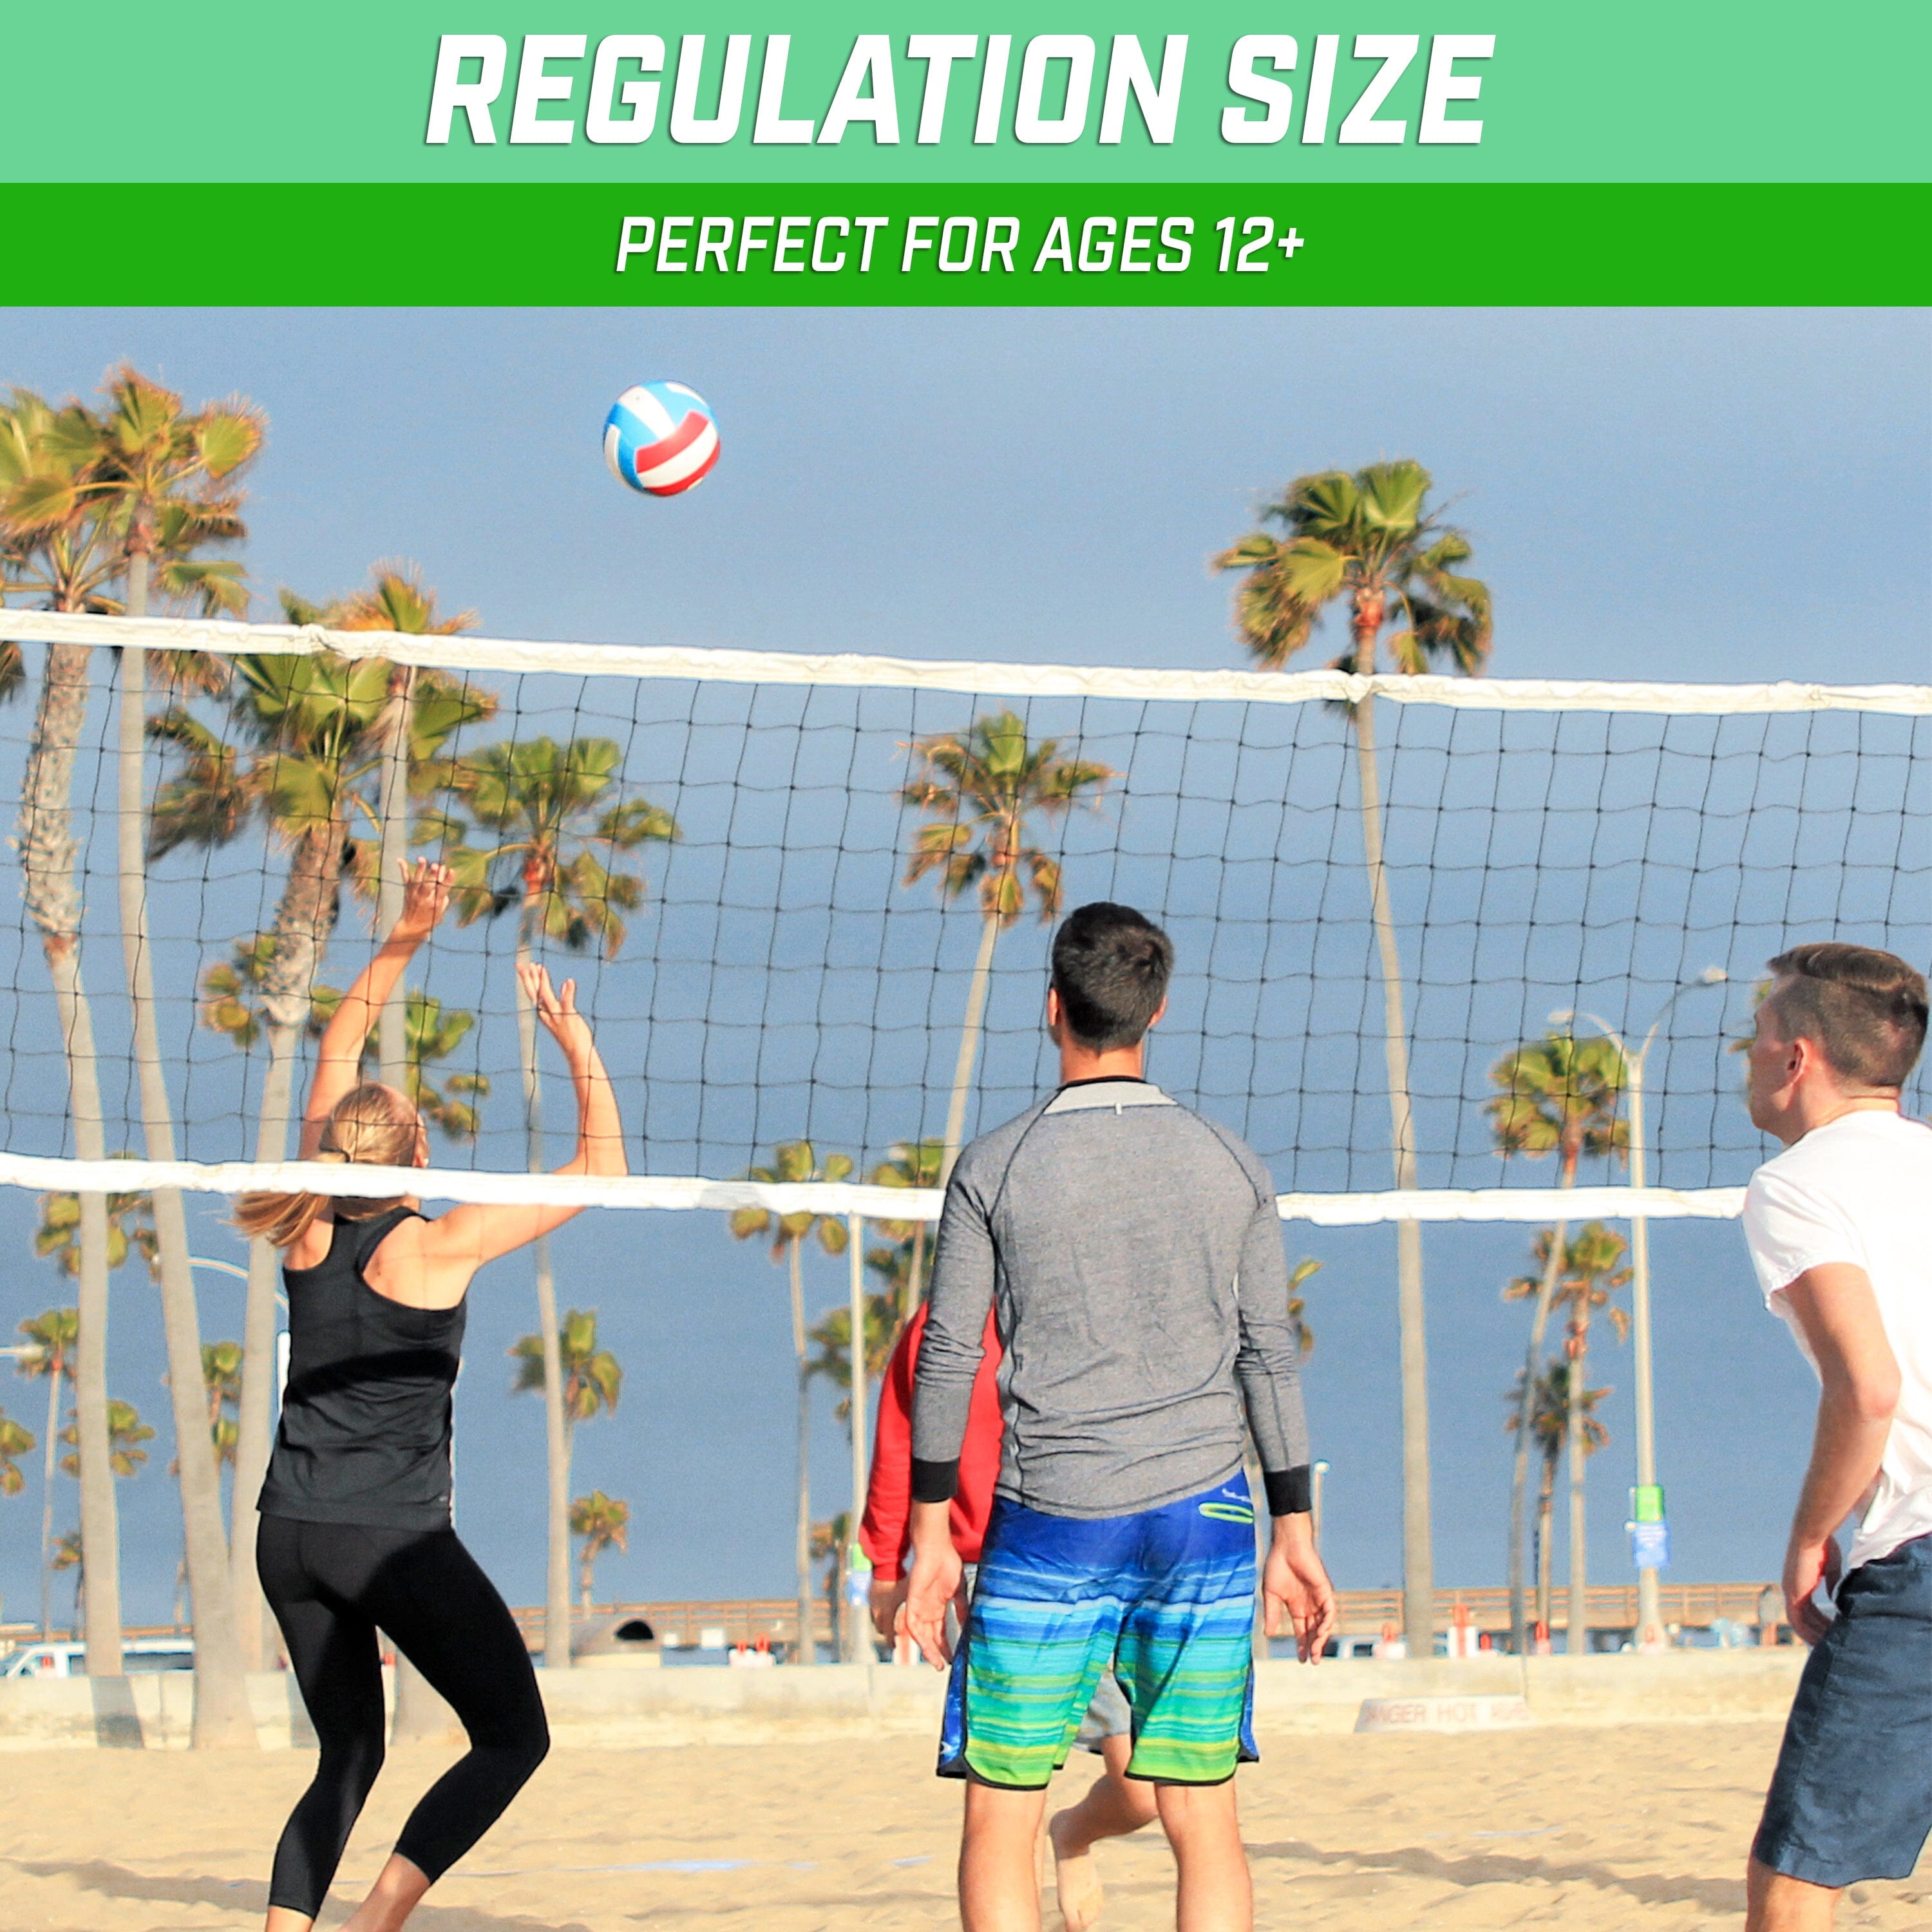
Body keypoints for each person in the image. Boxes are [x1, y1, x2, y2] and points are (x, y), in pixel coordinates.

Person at [903, 901, 1336, 1932]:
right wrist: (1296, 1530)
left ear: (1052, 1008)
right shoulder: (1229, 1161)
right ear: (1159, 1013)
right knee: (1204, 1818)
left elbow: (951, 1352)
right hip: (1206, 1515)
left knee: (1003, 1814)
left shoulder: (995, 1163)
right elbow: (1266, 1350)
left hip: (1056, 1511)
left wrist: (928, 1536)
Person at [235, 861, 626, 1932]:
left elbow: (336, 1050)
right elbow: (601, 1169)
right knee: (513, 1737)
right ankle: (375, 1925)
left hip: (291, 1535)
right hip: (387, 1539)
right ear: (415, 1151)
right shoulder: (437, 1243)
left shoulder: (306, 1227)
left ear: (337, 1149)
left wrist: (407, 934)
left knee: (347, 1754)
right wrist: (574, 1041)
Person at [1737, 942, 1931, 1932]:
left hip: (1925, 1560)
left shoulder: (1797, 1185)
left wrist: (1811, 1535)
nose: (1748, 1058)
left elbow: (1868, 1389)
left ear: (1796, 1057)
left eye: (1754, 1037)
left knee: (1797, 1876)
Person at [862, 1296, 1155, 1931]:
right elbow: (896, 1445)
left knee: (1147, 1792)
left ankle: (1074, 1833)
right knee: (1003, 1807)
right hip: (991, 1570)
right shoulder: (941, 1325)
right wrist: (887, 1568)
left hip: (1105, 1556)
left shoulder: (1097, 1294)